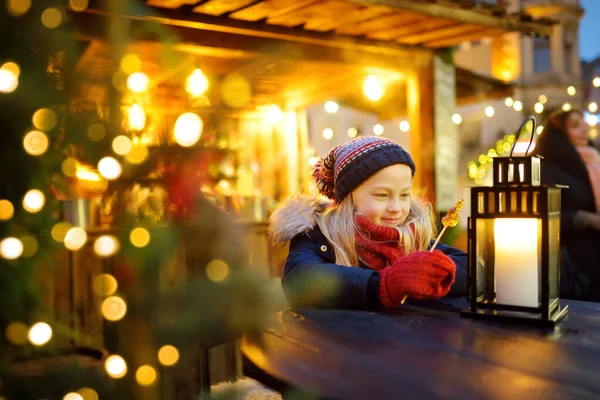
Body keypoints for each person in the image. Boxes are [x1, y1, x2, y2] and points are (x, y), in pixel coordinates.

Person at [269, 136, 467, 310]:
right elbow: (299, 280)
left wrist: (435, 272)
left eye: (404, 195)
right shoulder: (318, 235)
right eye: (382, 195)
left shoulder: (410, 237)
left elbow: (473, 269)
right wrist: (382, 285)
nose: (396, 208)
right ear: (348, 197)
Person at [533, 108, 600, 301]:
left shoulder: (592, 160)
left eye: (584, 123)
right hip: (573, 265)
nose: (585, 128)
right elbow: (540, 218)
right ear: (559, 135)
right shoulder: (547, 170)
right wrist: (583, 218)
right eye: (575, 125)